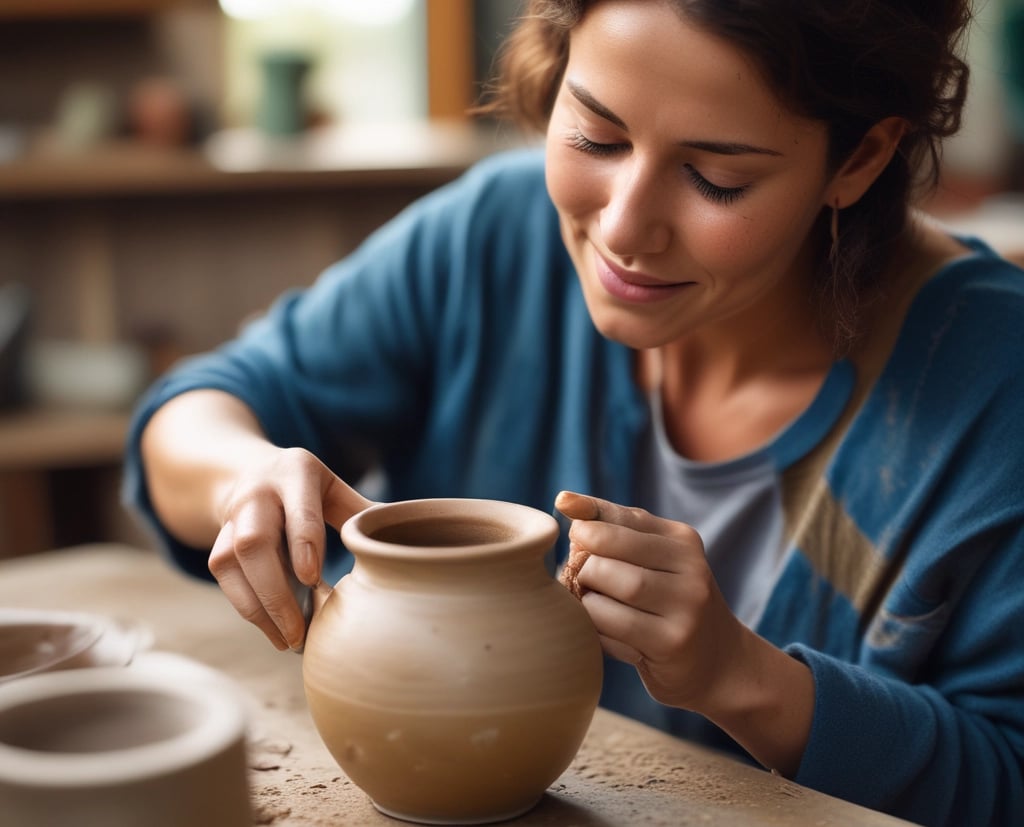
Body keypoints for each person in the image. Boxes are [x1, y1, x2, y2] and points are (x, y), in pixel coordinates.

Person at [123, 2, 1024, 825]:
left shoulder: (992, 385)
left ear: (860, 157)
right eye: (595, 136)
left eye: (715, 179)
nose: (625, 227)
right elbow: (199, 409)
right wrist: (244, 478)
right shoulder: (493, 239)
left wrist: (744, 678)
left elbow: (1006, 779)